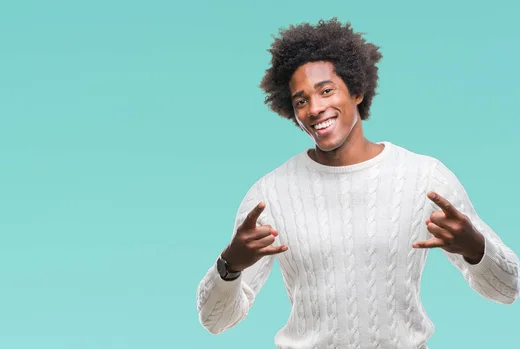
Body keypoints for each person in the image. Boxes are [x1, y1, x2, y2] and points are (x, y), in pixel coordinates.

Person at [195, 18, 520, 349]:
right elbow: (215, 321)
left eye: (326, 91)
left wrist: (476, 249)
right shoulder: (271, 194)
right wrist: (229, 266)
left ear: (357, 90)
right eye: (301, 100)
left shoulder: (424, 177)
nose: (315, 108)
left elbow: (508, 288)